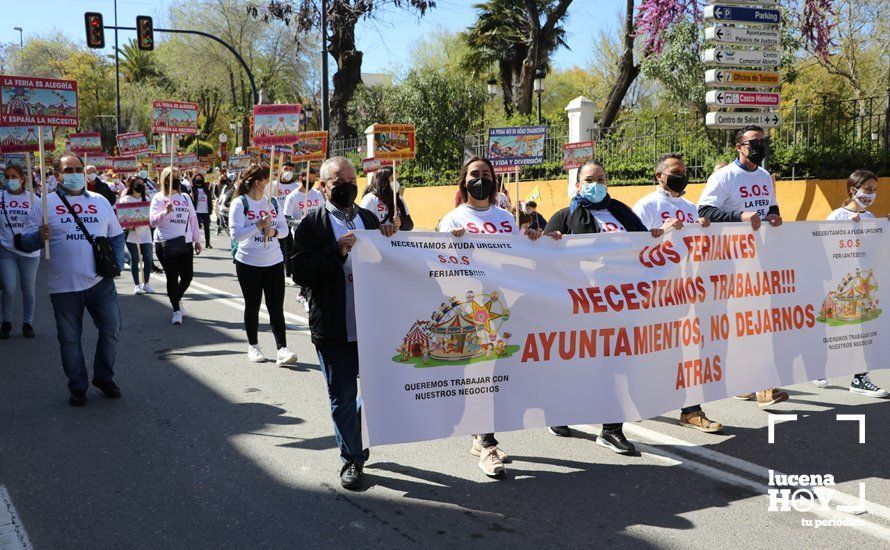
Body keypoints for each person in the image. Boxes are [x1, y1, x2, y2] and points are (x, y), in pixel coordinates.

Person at [438, 156, 557, 478]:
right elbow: (436, 265)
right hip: (470, 307)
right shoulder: (452, 220)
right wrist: (451, 245)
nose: (481, 180)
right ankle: (487, 445)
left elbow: (518, 258)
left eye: (486, 174)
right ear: (464, 182)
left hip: (504, 306)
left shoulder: (506, 217)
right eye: (474, 175)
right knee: (480, 374)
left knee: (496, 375)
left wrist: (538, 241)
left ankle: (482, 436)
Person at [544, 160, 668, 452]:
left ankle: (612, 429)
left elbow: (644, 244)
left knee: (618, 364)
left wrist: (667, 232)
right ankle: (559, 411)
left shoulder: (623, 212)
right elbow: (544, 260)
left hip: (622, 304)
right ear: (577, 185)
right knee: (577, 364)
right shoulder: (564, 216)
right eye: (589, 179)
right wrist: (549, 241)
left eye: (601, 178)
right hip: (581, 306)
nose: (596, 184)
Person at [291, 156, 398, 490]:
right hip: (334, 327)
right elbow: (299, 271)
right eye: (339, 182)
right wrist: (335, 253)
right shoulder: (311, 225)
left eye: (352, 181)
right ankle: (351, 457)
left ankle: (356, 436)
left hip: (370, 325)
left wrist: (389, 237)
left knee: (374, 392)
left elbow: (391, 263)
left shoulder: (368, 218)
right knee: (342, 395)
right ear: (323, 187)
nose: (347, 187)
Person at [16, 153, 125, 406]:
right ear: (57, 176)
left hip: (100, 283)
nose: (75, 174)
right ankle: (78, 386)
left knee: (112, 329)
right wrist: (37, 237)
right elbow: (23, 242)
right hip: (64, 288)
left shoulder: (101, 201)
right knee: (69, 339)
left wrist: (117, 264)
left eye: (78, 169)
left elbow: (117, 236)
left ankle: (104, 377)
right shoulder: (43, 205)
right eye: (69, 170)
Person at [697, 125, 789, 407]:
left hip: (760, 259)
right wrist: (740, 214)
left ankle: (753, 384)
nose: (760, 145)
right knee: (746, 322)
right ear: (739, 147)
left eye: (763, 141)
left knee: (759, 322)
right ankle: (759, 384)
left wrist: (773, 216)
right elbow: (705, 210)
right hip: (731, 260)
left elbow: (770, 207)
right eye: (754, 142)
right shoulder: (724, 176)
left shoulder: (763, 176)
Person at [631, 153, 723, 433]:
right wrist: (660, 232)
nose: (681, 174)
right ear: (659, 176)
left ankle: (691, 410)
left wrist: (705, 227)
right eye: (675, 171)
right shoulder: (646, 205)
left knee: (689, 350)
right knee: (649, 350)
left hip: (687, 289)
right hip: (656, 292)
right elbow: (633, 245)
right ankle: (637, 400)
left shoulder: (690, 206)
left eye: (683, 170)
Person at [812, 170, 888, 398]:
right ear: (853, 190)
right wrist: (847, 230)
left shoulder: (871, 217)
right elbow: (825, 248)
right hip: (839, 284)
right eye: (867, 189)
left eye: (874, 190)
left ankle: (860, 377)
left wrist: (883, 231)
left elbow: (872, 251)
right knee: (836, 328)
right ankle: (820, 367)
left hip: (863, 283)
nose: (871, 195)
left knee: (863, 329)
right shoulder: (836, 216)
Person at [228, 164, 299, 366]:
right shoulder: (240, 204)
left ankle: (282, 349)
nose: (272, 183)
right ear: (258, 182)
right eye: (268, 179)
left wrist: (273, 233)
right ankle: (253, 345)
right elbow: (237, 235)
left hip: (274, 261)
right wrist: (258, 225)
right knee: (253, 305)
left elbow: (284, 230)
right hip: (248, 262)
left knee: (276, 307)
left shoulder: (273, 203)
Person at [150, 166, 202, 325]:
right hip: (165, 242)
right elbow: (152, 221)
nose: (177, 179)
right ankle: (176, 310)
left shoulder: (185, 197)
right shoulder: (158, 198)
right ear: (165, 179)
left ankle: (176, 299)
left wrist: (197, 239)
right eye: (173, 176)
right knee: (172, 277)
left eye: (179, 176)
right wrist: (166, 212)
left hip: (185, 242)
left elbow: (193, 219)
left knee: (187, 276)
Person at [0, 165, 40, 339]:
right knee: (8, 288)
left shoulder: (34, 199)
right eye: (7, 176)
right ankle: (6, 322)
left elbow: (42, 221)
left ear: (22, 179)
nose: (10, 180)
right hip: (5, 250)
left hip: (29, 252)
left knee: (28, 289)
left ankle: (27, 323)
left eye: (13, 176)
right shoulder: (0, 197)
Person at [283, 166, 325, 305]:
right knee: (306, 265)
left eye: (314, 179)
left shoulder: (317, 195)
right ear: (301, 178)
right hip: (301, 237)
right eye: (309, 179)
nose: (312, 181)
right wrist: (299, 222)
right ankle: (302, 293)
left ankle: (309, 292)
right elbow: (286, 218)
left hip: (318, 235)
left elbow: (324, 212)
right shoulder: (293, 197)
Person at [118, 175, 155, 295]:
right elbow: (122, 217)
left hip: (145, 233)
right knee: (135, 259)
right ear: (132, 185)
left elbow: (151, 215)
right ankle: (137, 284)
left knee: (148, 258)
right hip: (132, 234)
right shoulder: (126, 199)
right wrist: (128, 225)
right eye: (137, 184)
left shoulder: (147, 200)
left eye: (141, 184)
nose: (140, 186)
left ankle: (147, 283)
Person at [190, 172, 213, 249]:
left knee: (207, 228)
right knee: (197, 228)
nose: (199, 180)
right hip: (197, 212)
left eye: (200, 179)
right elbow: (191, 201)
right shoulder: (193, 190)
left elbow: (209, 200)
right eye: (197, 179)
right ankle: (196, 242)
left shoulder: (206, 189)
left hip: (205, 211)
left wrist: (210, 209)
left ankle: (208, 243)